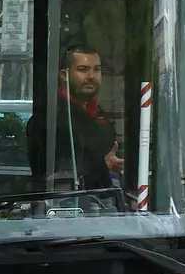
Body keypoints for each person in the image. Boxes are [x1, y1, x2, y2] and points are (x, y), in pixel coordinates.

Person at [29, 44, 122, 191]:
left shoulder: (100, 114)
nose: (91, 76)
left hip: (102, 200)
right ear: (64, 75)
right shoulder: (50, 117)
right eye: (83, 70)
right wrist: (103, 167)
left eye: (97, 69)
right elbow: (58, 174)